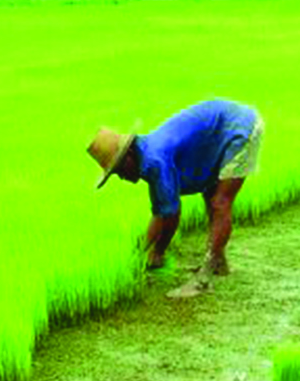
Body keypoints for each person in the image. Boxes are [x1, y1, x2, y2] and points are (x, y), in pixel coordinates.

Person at [87, 99, 263, 299]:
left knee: (220, 202)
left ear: (128, 157)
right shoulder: (147, 155)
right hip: (219, 129)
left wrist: (157, 252)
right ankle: (219, 262)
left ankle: (204, 279)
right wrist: (141, 251)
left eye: (118, 170)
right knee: (210, 192)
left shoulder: (155, 160)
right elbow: (160, 212)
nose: (122, 177)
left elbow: (171, 216)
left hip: (240, 128)